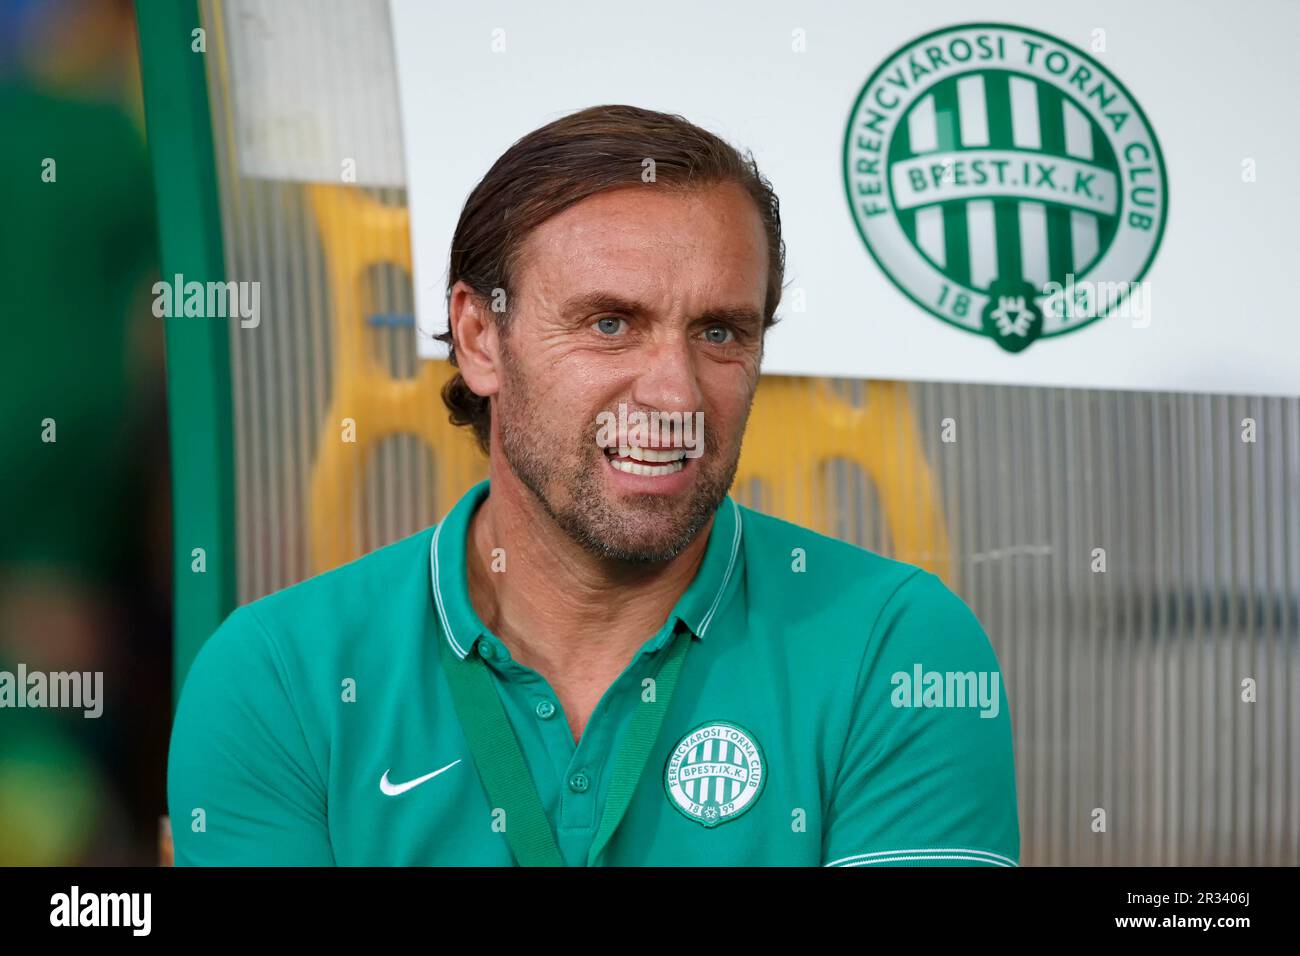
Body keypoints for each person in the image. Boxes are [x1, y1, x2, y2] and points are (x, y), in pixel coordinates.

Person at [168, 104, 1019, 866]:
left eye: (721, 332)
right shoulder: (278, 675)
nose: (675, 394)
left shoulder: (892, 646)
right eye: (610, 324)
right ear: (479, 338)